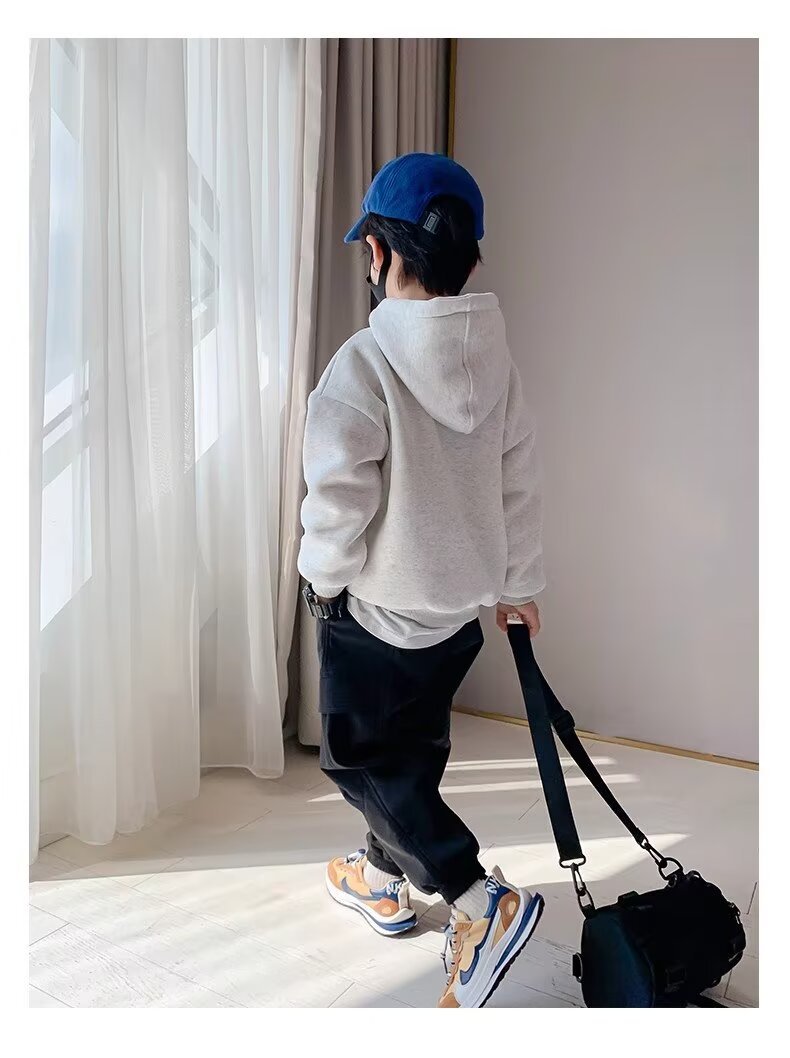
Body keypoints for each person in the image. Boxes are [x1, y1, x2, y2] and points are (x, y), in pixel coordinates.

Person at [297, 152, 545, 1008]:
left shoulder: (363, 363)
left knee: (358, 760)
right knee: (413, 754)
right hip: (455, 614)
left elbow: (338, 498)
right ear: (471, 259)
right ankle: (379, 876)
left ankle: (479, 900)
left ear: (377, 252)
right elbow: (518, 484)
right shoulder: (499, 369)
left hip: (375, 611)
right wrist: (518, 585)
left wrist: (321, 579)